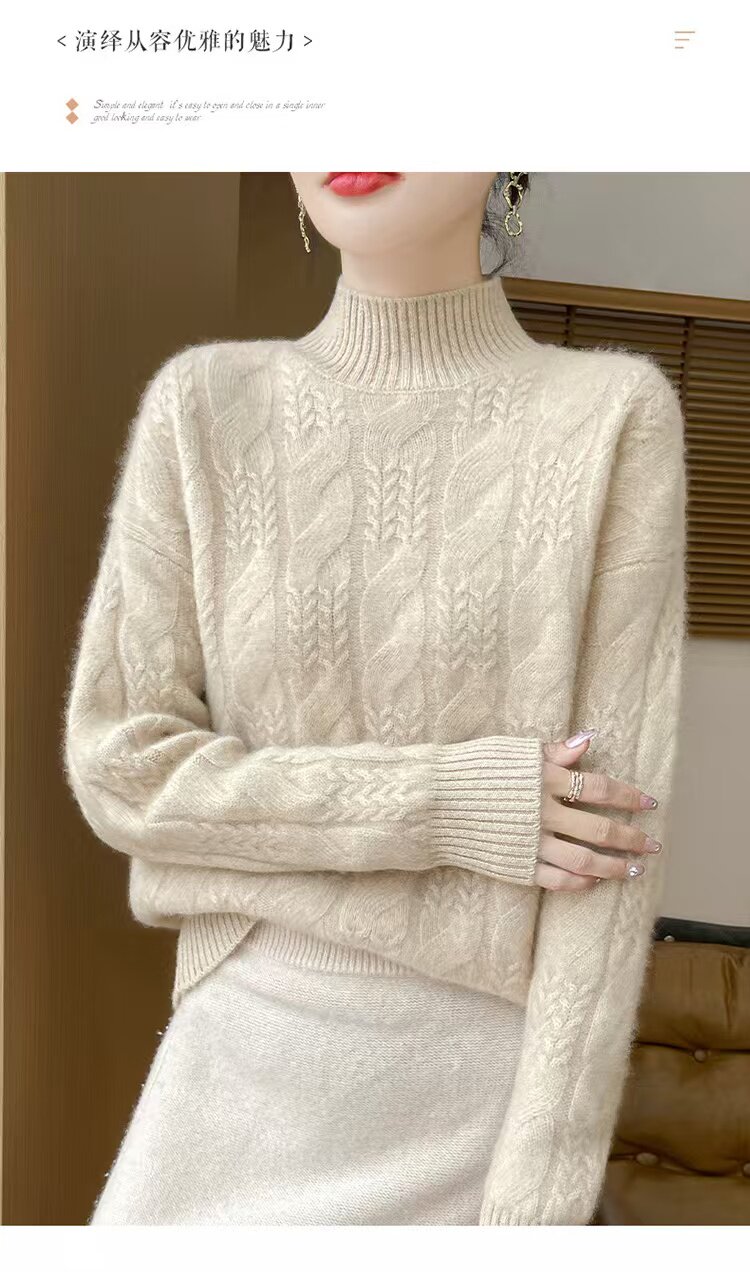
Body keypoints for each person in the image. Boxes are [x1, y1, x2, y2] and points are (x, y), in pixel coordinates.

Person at [62, 172, 688, 1225]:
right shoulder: (204, 405)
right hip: (231, 1068)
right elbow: (123, 768)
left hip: (476, 1097)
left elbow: (610, 864)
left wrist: (535, 1209)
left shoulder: (611, 416)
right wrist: (452, 802)